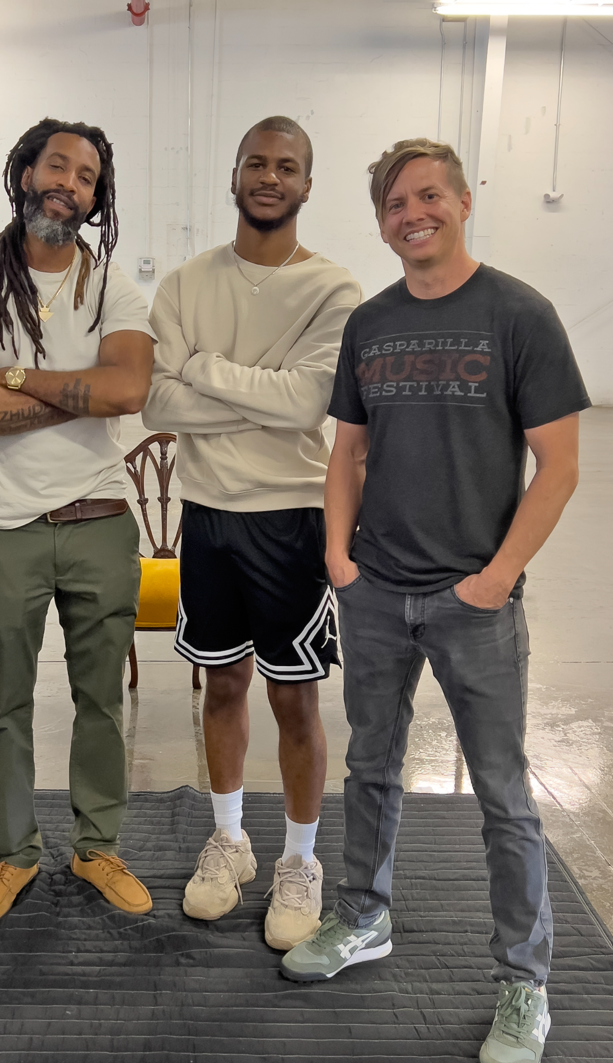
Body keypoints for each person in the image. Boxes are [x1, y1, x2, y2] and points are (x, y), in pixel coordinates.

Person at [279, 138, 586, 1063]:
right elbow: (348, 454)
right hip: (374, 592)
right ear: (380, 222)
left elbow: (562, 465)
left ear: (459, 202)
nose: (411, 213)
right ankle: (363, 918)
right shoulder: (370, 323)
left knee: (502, 794)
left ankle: (523, 979)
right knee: (370, 765)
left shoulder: (519, 313)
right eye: (394, 204)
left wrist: (495, 578)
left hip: (474, 603)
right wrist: (339, 556)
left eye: (427, 197)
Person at [142, 117, 362, 949]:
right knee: (222, 687)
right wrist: (253, 391)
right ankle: (229, 839)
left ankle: (299, 857)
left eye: (289, 167)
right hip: (207, 517)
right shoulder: (186, 283)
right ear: (234, 175)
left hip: (293, 517)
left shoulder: (335, 291)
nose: (271, 177)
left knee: (293, 696)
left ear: (308, 185)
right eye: (257, 164)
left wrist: (199, 368)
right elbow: (155, 404)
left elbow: (307, 404)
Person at [0, 118, 154, 927]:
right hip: (6, 528)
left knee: (100, 699)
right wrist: (72, 387)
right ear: (23, 172)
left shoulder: (114, 287)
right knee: (7, 701)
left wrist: (16, 376)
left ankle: (97, 847)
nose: (69, 181)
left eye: (87, 175)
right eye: (55, 164)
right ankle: (13, 853)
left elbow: (128, 390)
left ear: (98, 199)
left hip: (100, 519)